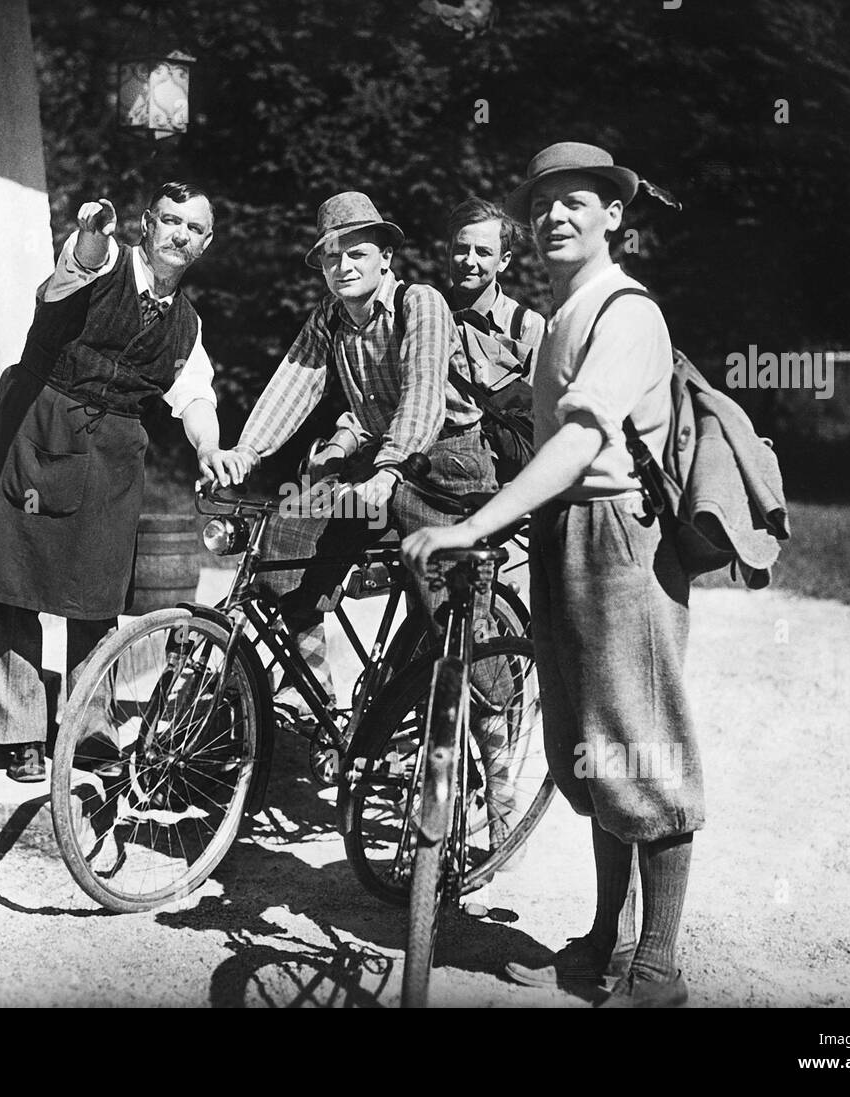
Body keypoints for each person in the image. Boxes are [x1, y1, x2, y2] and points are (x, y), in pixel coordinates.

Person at [402, 143, 703, 1008]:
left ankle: (659, 966)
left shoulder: (625, 310)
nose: (557, 217)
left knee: (646, 745)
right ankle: (605, 943)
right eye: (543, 206)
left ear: (615, 216)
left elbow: (578, 442)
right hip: (564, 533)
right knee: (592, 749)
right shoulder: (565, 311)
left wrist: (476, 525)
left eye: (579, 201)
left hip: (619, 541)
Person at [216, 192, 515, 839]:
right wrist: (246, 451)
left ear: (385, 257)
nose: (343, 264)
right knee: (283, 543)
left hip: (449, 470)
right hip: (382, 467)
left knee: (451, 610)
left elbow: (422, 396)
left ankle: (498, 765)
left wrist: (387, 466)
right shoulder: (331, 318)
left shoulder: (421, 304)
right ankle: (318, 701)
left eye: (357, 252)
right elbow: (294, 383)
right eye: (331, 255)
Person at [0, 182, 245, 782]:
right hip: (41, 420)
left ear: (207, 243)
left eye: (193, 229)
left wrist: (209, 447)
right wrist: (92, 230)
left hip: (114, 448)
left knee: (97, 591)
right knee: (18, 579)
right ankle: (19, 733)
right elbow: (76, 266)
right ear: (146, 224)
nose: (179, 235)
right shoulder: (108, 261)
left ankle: (89, 730)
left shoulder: (187, 323)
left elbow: (193, 396)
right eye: (170, 220)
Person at [446, 196, 545, 384]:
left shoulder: (526, 326)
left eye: (483, 252)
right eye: (461, 249)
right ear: (448, 251)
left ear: (504, 260)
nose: (469, 261)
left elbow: (536, 403)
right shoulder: (427, 314)